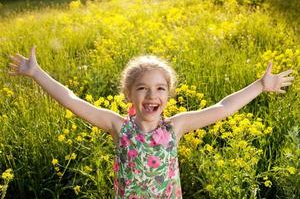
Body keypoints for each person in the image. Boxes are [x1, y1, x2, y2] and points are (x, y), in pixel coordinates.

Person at [8, 46, 294, 198]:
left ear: (168, 95)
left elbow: (223, 107)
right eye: (142, 88)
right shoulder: (119, 127)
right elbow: (70, 99)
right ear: (129, 94)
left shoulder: (176, 127)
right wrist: (36, 73)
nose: (151, 94)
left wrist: (260, 85)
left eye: (160, 88)